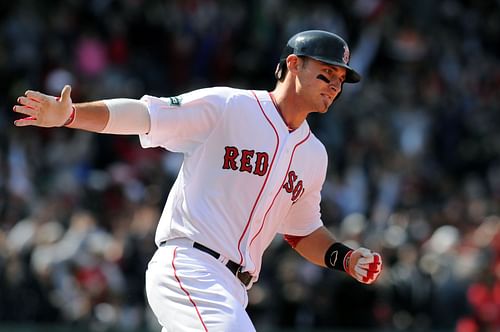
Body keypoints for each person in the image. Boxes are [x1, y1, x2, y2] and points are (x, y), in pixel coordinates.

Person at [13, 30, 382, 331]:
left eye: (339, 80)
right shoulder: (230, 106)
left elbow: (302, 232)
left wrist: (345, 258)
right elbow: (146, 115)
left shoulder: (314, 154)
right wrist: (72, 114)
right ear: (292, 64)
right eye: (326, 73)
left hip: (234, 289)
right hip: (190, 266)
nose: (334, 85)